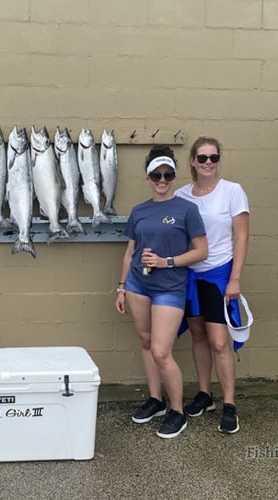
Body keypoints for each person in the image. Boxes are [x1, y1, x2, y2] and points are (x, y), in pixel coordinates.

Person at [115, 145, 208, 439]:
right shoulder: (139, 211)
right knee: (145, 341)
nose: (162, 179)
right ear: (148, 177)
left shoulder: (186, 209)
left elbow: (201, 251)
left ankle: (177, 411)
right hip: (137, 285)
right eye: (157, 174)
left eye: (168, 174)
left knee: (161, 350)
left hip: (170, 288)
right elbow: (130, 251)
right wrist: (121, 287)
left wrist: (166, 262)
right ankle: (156, 400)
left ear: (174, 175)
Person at [175, 136, 249, 434]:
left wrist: (234, 278)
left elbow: (242, 237)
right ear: (192, 160)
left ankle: (229, 403)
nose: (208, 163)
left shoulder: (232, 191)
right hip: (190, 275)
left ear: (219, 160)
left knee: (220, 341)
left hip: (219, 274)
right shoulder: (181, 195)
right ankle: (205, 394)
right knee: (197, 334)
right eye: (202, 158)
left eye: (213, 158)